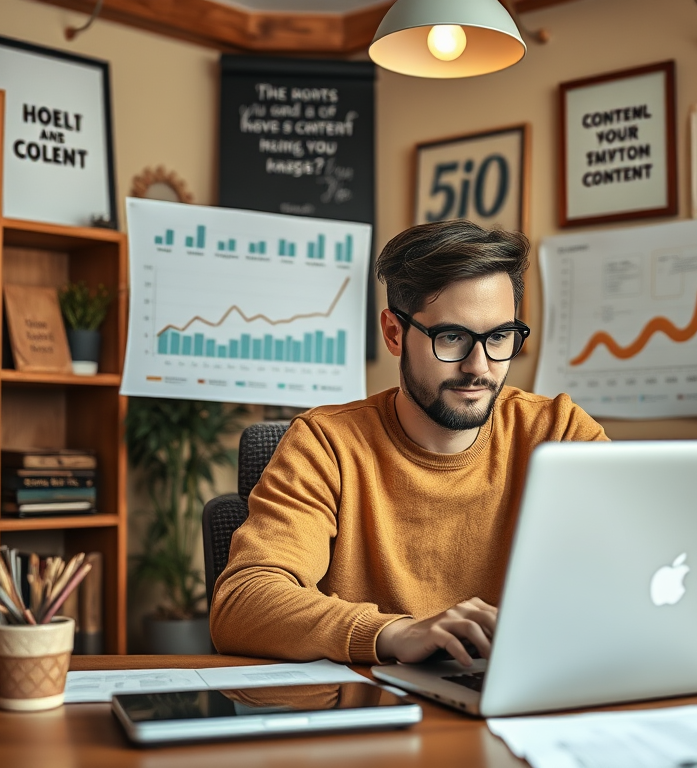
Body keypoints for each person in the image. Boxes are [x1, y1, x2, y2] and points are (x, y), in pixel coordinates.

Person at [210, 219, 607, 666]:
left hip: (531, 698)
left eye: (498, 337)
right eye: (452, 337)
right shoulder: (327, 446)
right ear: (394, 333)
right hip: (372, 713)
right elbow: (243, 603)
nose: (479, 367)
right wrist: (393, 633)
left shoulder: (559, 432)